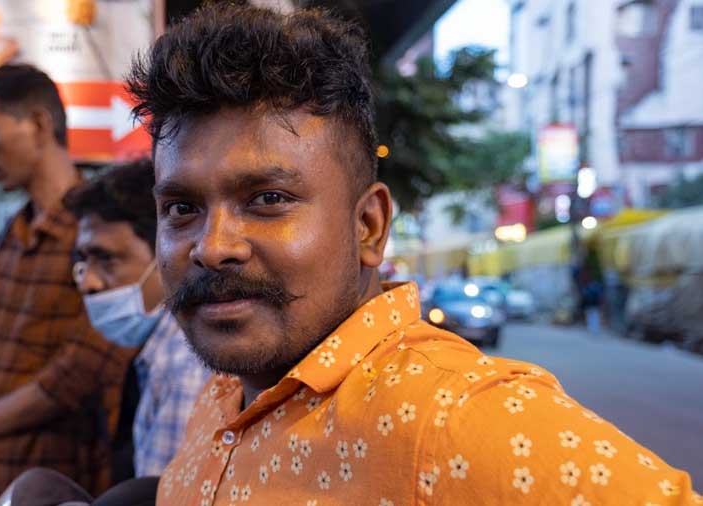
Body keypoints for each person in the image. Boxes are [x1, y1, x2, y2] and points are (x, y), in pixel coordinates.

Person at [125, 4, 701, 505]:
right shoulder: (229, 387)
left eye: (268, 199)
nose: (212, 246)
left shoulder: (455, 418)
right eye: (181, 208)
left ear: (369, 226)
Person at [0, 64, 134, 506]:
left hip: (48, 481)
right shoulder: (13, 230)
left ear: (39, 124)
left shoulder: (96, 235)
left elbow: (76, 373)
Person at [0, 160, 209, 505]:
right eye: (84, 261)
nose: (89, 282)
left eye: (107, 260)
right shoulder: (154, 354)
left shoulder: (181, 366)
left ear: (164, 252)